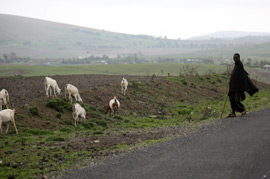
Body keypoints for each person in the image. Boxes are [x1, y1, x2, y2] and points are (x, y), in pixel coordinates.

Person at [227, 53, 258, 117]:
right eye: (234, 57)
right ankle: (233, 112)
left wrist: (235, 84)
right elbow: (234, 76)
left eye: (236, 57)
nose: (235, 58)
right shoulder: (236, 65)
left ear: (239, 58)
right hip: (233, 87)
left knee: (235, 100)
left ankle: (243, 109)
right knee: (231, 100)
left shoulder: (239, 65)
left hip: (236, 87)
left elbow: (240, 77)